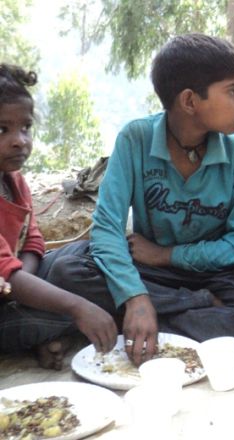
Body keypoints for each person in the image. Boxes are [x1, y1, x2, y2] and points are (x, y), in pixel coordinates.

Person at [45, 34, 234, 365]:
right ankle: (172, 312)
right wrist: (135, 296)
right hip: (152, 276)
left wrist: (168, 255)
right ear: (190, 101)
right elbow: (107, 228)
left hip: (216, 274)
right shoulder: (135, 138)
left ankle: (137, 323)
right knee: (67, 269)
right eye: (233, 90)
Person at [0, 64, 116, 369]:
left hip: (11, 286)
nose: (19, 140)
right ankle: (48, 332)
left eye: (25, 128)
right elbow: (6, 273)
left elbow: (33, 241)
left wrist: (21, 285)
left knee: (80, 253)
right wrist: (78, 307)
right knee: (63, 313)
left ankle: (43, 332)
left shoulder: (13, 181)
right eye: (3, 130)